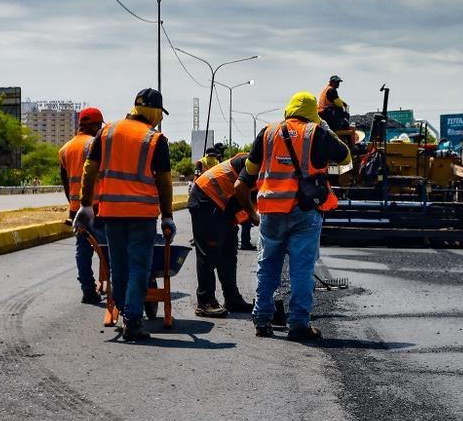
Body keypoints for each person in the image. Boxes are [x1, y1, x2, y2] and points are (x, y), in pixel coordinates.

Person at [235, 91, 350, 341]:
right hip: (304, 212)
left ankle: (262, 320)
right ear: (313, 115)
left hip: (271, 212)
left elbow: (250, 172)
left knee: (267, 267)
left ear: (288, 111)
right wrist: (324, 127)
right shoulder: (316, 132)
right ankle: (298, 324)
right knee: (301, 269)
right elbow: (345, 156)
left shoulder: (267, 133)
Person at [75, 89, 175, 342]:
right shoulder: (155, 139)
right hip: (141, 214)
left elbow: (90, 168)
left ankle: (123, 309)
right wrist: (167, 216)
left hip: (111, 212)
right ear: (152, 110)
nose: (158, 119)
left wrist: (86, 205)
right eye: (159, 114)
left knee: (117, 267)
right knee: (139, 268)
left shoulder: (106, 131)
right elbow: (164, 182)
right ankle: (132, 319)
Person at [188, 152, 256, 317]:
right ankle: (205, 302)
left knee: (228, 252)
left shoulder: (273, 166)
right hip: (206, 198)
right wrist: (253, 215)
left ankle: (232, 298)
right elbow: (240, 188)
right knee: (209, 252)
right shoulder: (254, 162)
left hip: (223, 206)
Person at [59, 107, 106, 304]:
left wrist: (73, 205)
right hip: (96, 206)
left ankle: (88, 289)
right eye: (99, 126)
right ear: (95, 125)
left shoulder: (65, 149)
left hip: (77, 208)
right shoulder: (95, 144)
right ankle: (116, 291)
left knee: (83, 248)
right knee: (108, 249)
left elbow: (65, 182)